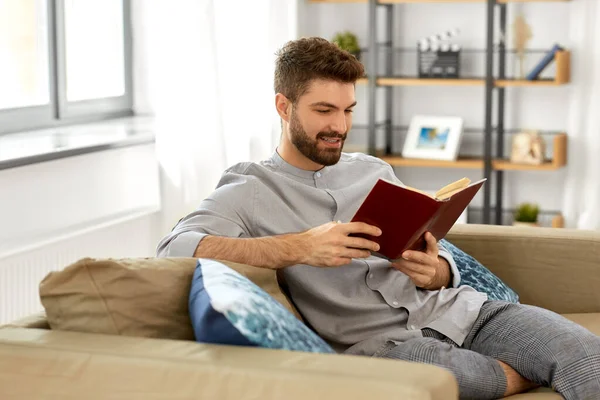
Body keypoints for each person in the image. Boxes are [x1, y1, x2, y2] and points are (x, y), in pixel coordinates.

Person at [157, 37, 600, 399]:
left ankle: (535, 369)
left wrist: (438, 272)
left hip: (458, 311)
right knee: (455, 376)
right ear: (283, 106)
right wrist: (300, 247)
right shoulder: (249, 188)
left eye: (348, 110)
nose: (340, 126)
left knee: (587, 354)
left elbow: (430, 249)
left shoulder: (374, 169)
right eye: (324, 111)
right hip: (382, 346)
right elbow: (174, 247)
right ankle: (525, 375)